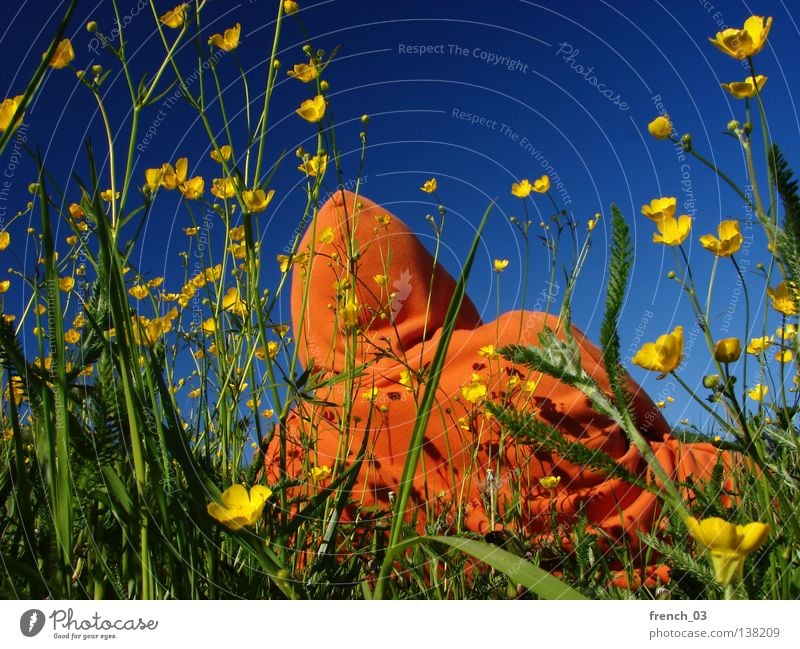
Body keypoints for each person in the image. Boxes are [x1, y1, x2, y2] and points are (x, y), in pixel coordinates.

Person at [264, 190, 728, 584]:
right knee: (709, 470)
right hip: (642, 545)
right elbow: (649, 434)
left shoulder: (295, 442)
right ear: (427, 275)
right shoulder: (526, 339)